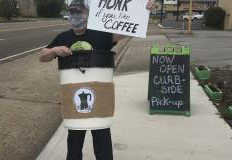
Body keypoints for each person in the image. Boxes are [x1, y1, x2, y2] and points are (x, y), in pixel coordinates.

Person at [39, 0, 155, 159]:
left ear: (88, 14)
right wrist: (54, 50)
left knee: (102, 138)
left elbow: (130, 29)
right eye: (71, 12)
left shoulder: (100, 33)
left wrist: (144, 12)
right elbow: (42, 56)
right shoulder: (63, 37)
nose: (75, 16)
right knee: (74, 141)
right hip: (74, 98)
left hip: (100, 95)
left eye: (79, 12)